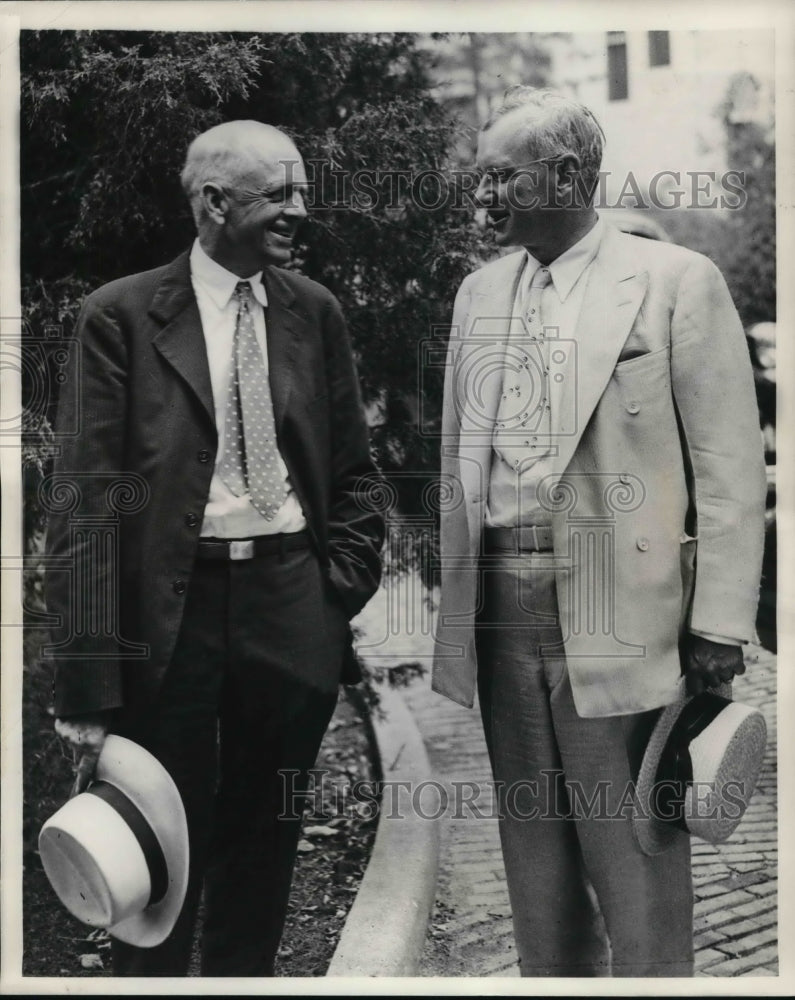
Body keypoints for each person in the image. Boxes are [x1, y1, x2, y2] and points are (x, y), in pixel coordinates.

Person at [432, 88, 766, 977]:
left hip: (627, 612)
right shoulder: (477, 295)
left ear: (569, 175)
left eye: (501, 178)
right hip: (502, 605)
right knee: (533, 852)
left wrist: (720, 627)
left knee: (634, 853)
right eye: (480, 180)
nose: (482, 198)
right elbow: (457, 461)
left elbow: (731, 471)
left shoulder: (672, 282)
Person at [46, 120, 385, 976]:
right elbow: (83, 502)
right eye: (282, 194)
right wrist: (89, 677)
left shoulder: (314, 312)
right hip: (171, 620)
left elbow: (355, 471)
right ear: (212, 202)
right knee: (153, 850)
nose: (301, 211)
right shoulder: (118, 317)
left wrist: (330, 591)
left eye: (302, 192)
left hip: (288, 607)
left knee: (264, 845)